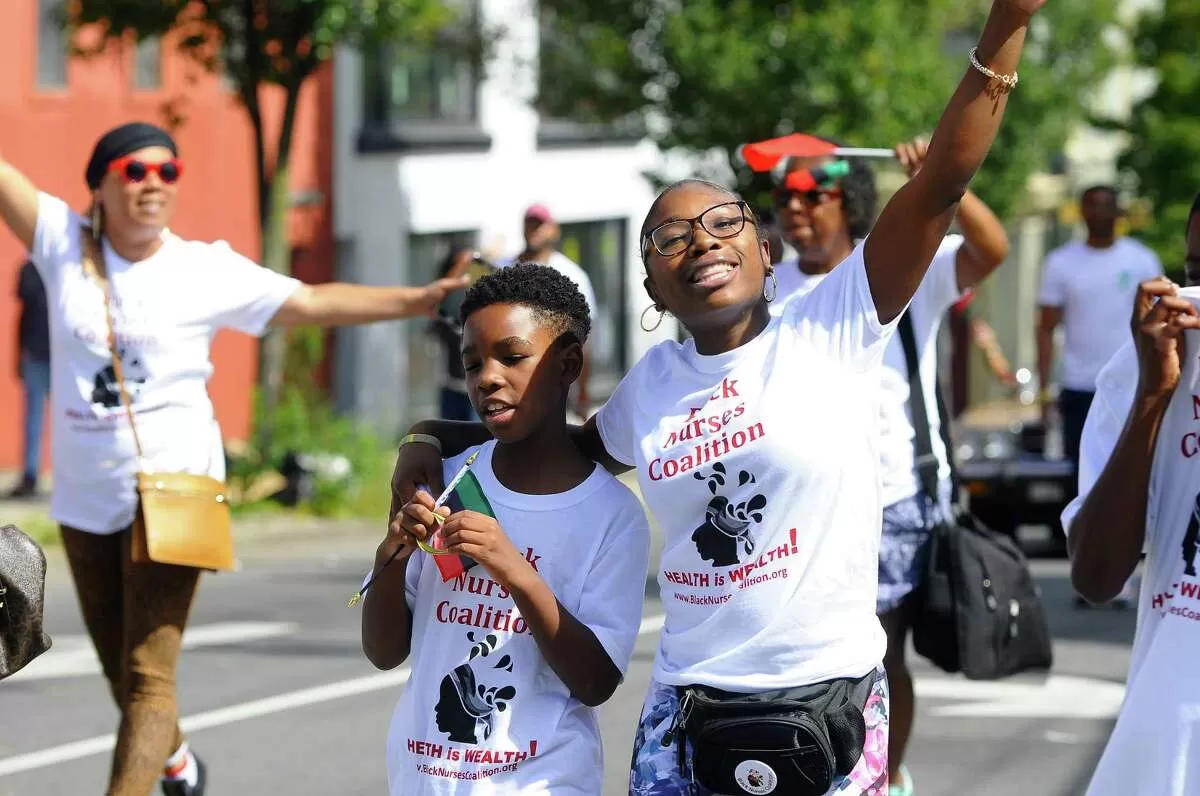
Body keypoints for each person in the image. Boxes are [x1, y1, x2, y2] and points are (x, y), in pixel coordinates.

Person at [389, 3, 1044, 793]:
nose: (698, 240)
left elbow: (942, 180)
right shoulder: (650, 389)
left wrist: (1006, 22)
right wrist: (426, 437)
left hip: (831, 701)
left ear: (765, 253)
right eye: (669, 238)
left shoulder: (834, 321)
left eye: (721, 221)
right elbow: (545, 444)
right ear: (652, 289)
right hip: (687, 713)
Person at [0, 121, 467, 796]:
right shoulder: (61, 242)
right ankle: (180, 766)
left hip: (179, 484)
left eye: (168, 171)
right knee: (117, 671)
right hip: (83, 495)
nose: (153, 184)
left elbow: (309, 301)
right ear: (99, 184)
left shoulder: (201, 267)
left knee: (147, 677)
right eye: (135, 171)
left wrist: (416, 300)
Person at [773, 137, 1010, 796]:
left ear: (845, 201)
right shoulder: (769, 287)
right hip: (800, 503)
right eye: (782, 197)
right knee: (808, 658)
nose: (793, 208)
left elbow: (992, 251)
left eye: (808, 195)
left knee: (878, 654)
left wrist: (942, 181)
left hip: (893, 499)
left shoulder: (905, 264)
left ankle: (884, 777)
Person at [364, 263, 650, 794]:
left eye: (512, 357)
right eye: (472, 364)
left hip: (541, 781)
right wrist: (395, 551)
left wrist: (514, 570)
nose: (487, 377)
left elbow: (596, 682)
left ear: (568, 366)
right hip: (425, 776)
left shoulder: (611, 515)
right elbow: (383, 651)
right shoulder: (444, 478)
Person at [1060, 193, 1200, 795]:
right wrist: (1153, 394)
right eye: (1195, 275)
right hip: (1174, 745)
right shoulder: (1149, 368)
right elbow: (1095, 576)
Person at [1037, 185, 1161, 608]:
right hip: (1078, 385)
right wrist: (1042, 386)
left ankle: (1126, 575)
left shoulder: (1141, 260)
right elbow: (1045, 326)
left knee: (1133, 472)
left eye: (1106, 206)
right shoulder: (1060, 263)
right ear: (1081, 214)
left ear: (1118, 212)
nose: (1099, 214)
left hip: (1134, 384)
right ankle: (1089, 569)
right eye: (1091, 207)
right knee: (1085, 477)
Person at [506, 204, 599, 419]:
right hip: (514, 379)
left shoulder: (571, 275)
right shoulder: (508, 270)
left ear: (554, 230)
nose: (534, 230)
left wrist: (583, 392)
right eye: (529, 224)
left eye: (539, 225)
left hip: (553, 379)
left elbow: (584, 338)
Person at [9, 259, 50, 498]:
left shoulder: (72, 267)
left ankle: (73, 478)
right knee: (33, 421)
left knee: (71, 422)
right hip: (34, 356)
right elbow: (23, 316)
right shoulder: (30, 269)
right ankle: (30, 476)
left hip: (65, 359)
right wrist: (19, 355)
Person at [427, 246, 480, 422]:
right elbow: (434, 306)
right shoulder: (447, 308)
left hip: (479, 391)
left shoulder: (482, 304)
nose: (466, 275)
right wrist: (463, 264)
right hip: (451, 389)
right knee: (452, 446)